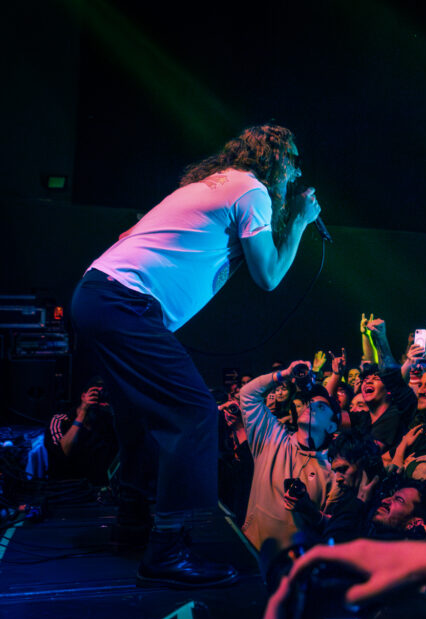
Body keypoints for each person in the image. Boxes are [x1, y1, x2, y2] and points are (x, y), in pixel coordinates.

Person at [70, 124, 322, 588]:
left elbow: (131, 232)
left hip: (99, 293)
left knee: (137, 415)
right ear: (278, 160)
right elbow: (268, 277)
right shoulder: (251, 191)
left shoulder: (209, 185)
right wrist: (302, 223)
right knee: (195, 412)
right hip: (125, 301)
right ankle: (168, 549)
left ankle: (133, 522)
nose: (298, 171)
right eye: (295, 161)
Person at [238, 361, 341, 553]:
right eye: (310, 403)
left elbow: (333, 528)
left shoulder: (332, 471)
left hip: (294, 567)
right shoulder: (271, 438)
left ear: (332, 427)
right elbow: (247, 395)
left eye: (321, 407)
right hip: (252, 553)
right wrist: (284, 374)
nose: (311, 406)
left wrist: (309, 510)